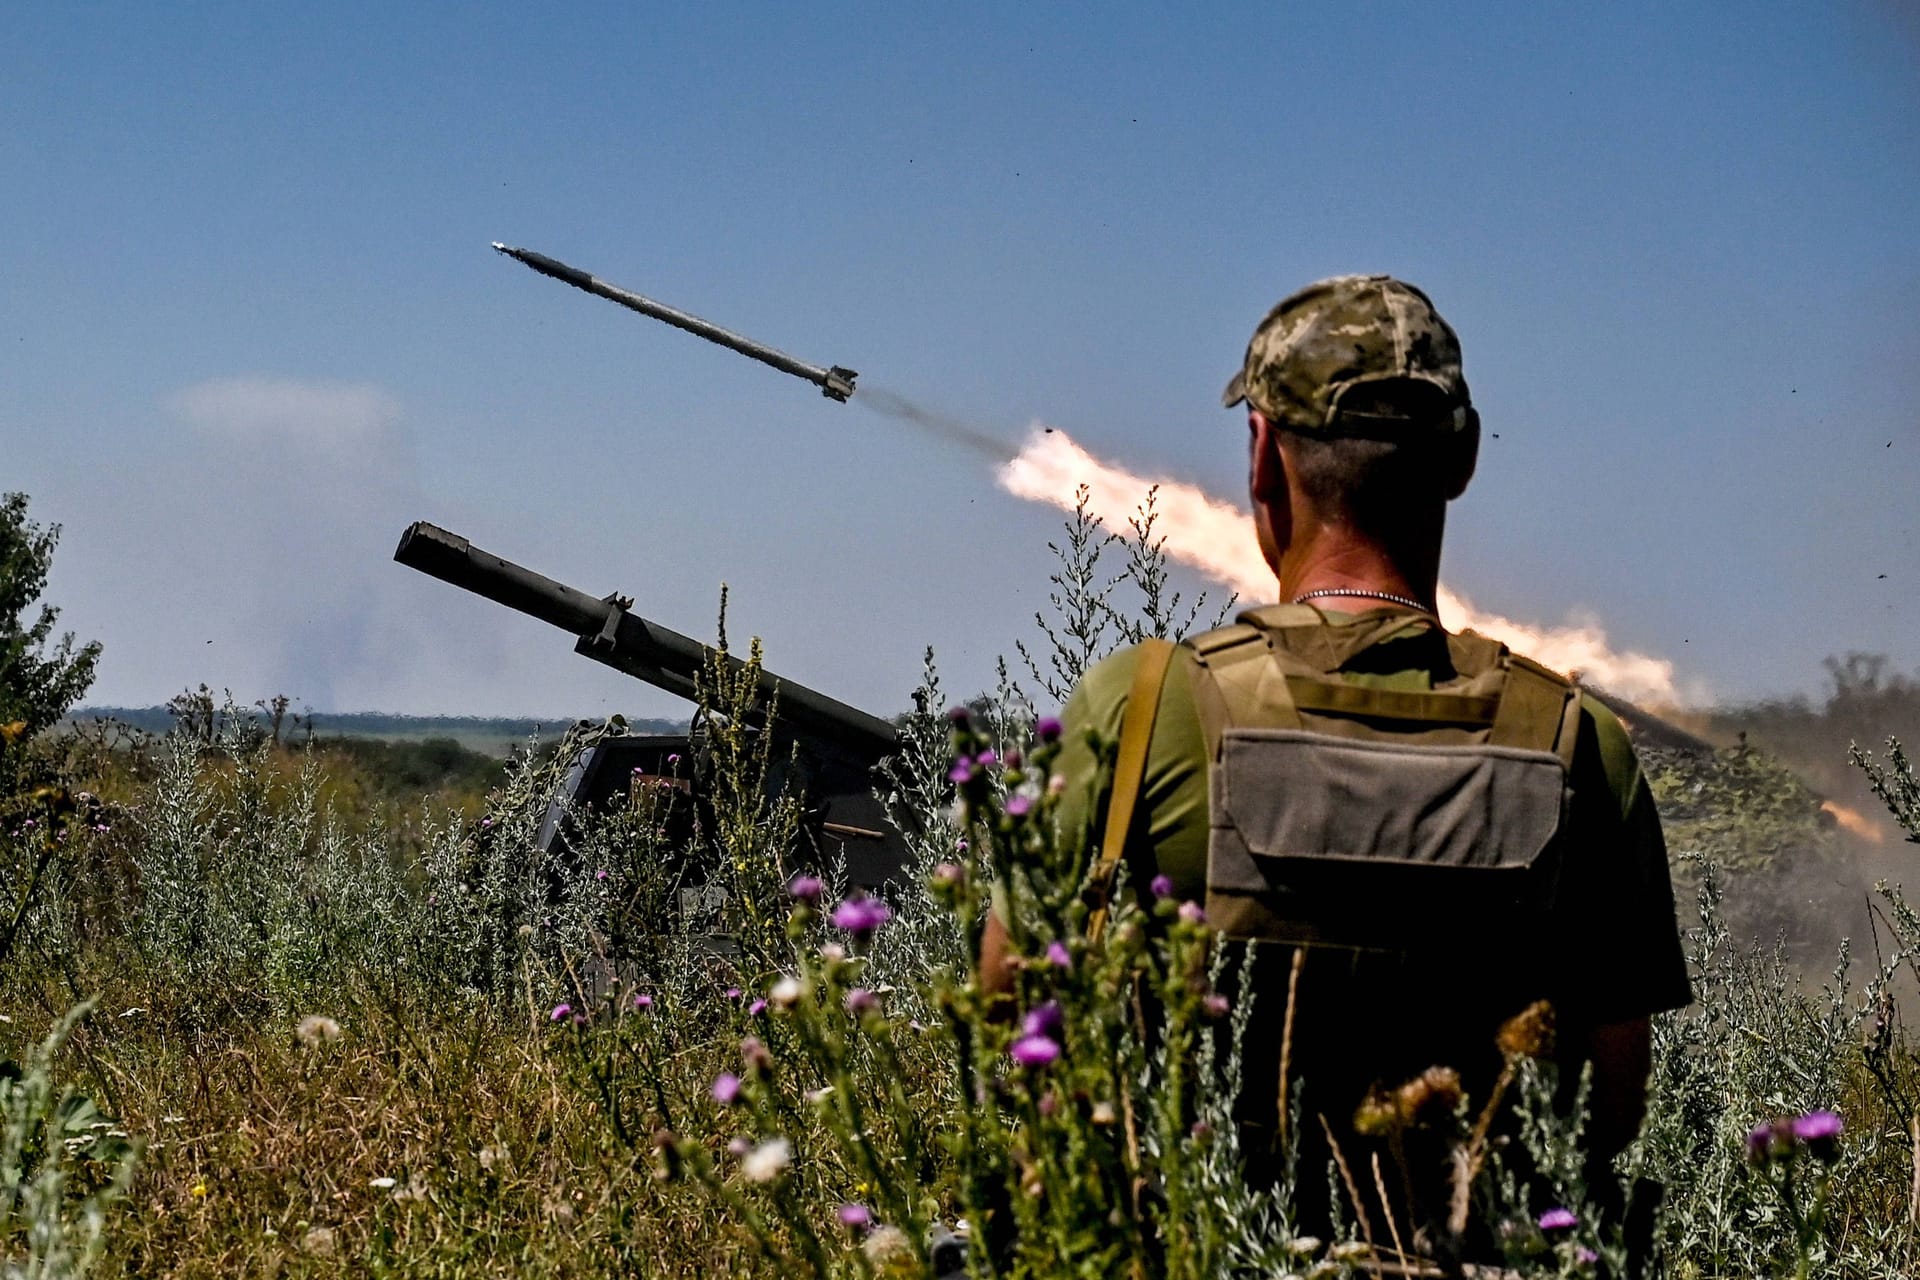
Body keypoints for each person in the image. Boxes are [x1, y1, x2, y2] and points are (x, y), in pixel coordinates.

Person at [981, 275, 1691, 1262]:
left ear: (1264, 453)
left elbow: (1008, 1033)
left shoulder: (1137, 713)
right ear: (1465, 458)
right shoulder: (1578, 746)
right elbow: (1612, 1113)